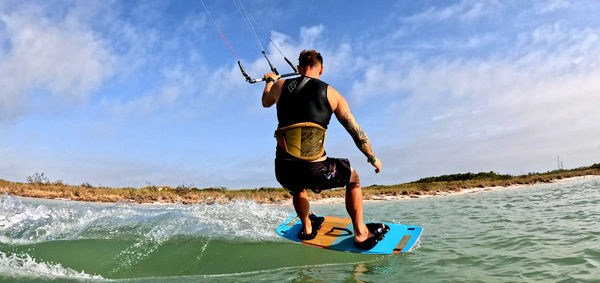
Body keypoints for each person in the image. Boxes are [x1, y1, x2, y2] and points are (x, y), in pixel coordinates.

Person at [262, 49, 387, 250]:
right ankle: (361, 233)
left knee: (297, 186)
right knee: (353, 177)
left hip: (284, 172)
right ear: (321, 70)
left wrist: (270, 80)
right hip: (316, 172)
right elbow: (356, 132)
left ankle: (308, 228)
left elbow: (265, 102)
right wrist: (372, 158)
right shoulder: (332, 93)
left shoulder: (279, 86)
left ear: (298, 68)